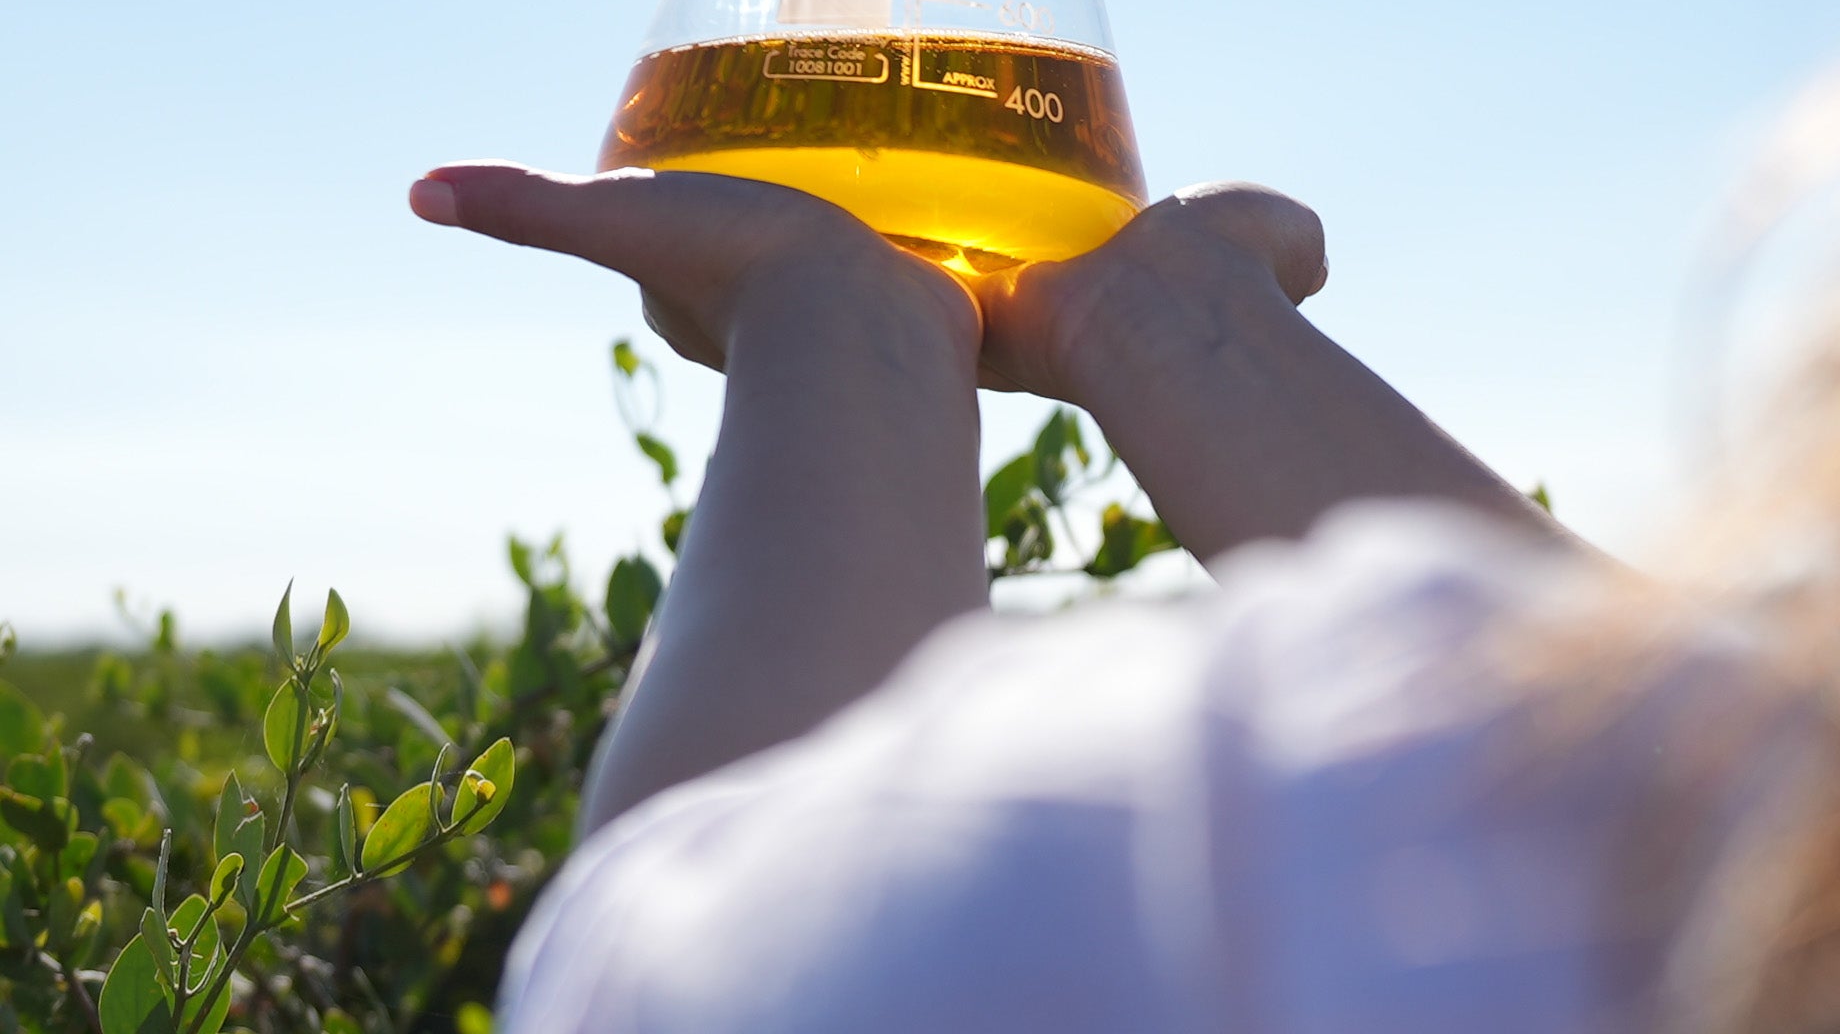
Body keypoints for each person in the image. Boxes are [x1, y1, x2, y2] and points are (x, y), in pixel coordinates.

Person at [408, 162, 1840, 1033]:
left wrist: (840, 323)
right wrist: (1176, 325)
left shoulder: (1235, 883)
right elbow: (1660, 756)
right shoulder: (1751, 834)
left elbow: (685, 956)